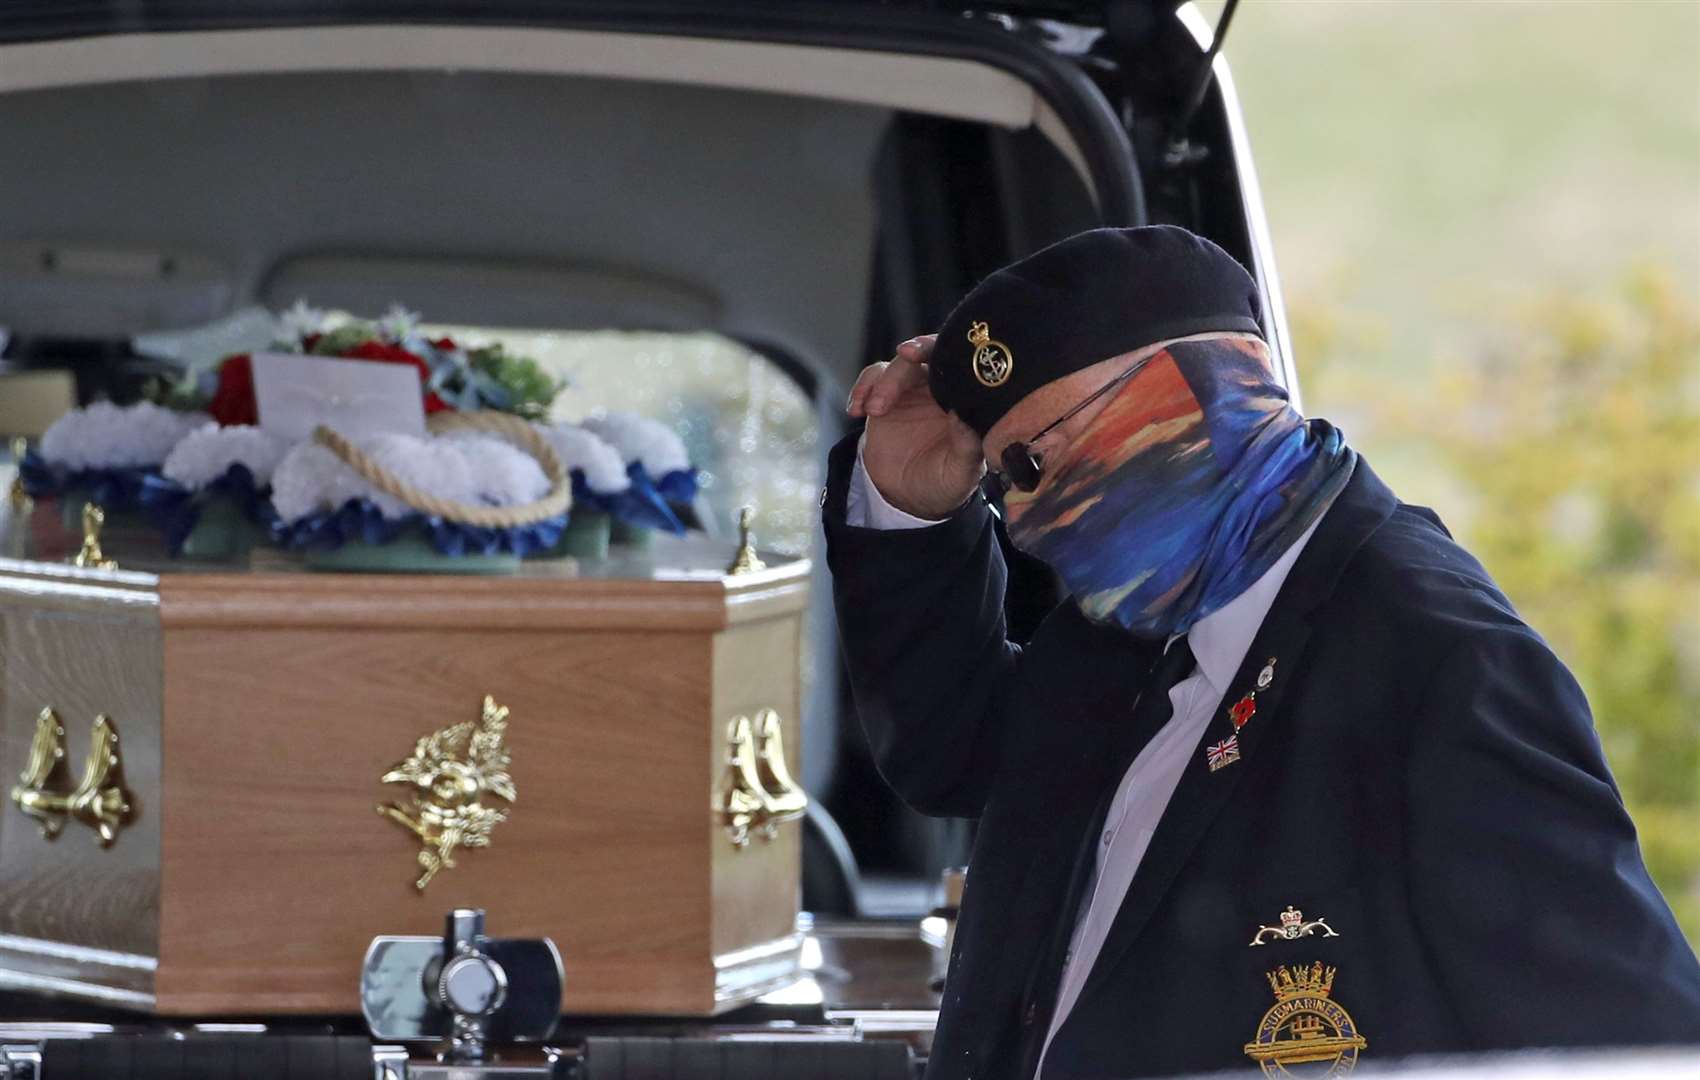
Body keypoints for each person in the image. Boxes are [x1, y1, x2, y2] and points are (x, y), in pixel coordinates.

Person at [822, 226, 1700, 1080]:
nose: (1021, 515)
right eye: (1003, 477)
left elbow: (1635, 1051)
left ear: (1185, 397)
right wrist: (908, 504)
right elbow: (956, 754)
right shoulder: (1131, 620)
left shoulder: (1442, 666)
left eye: (1032, 462)